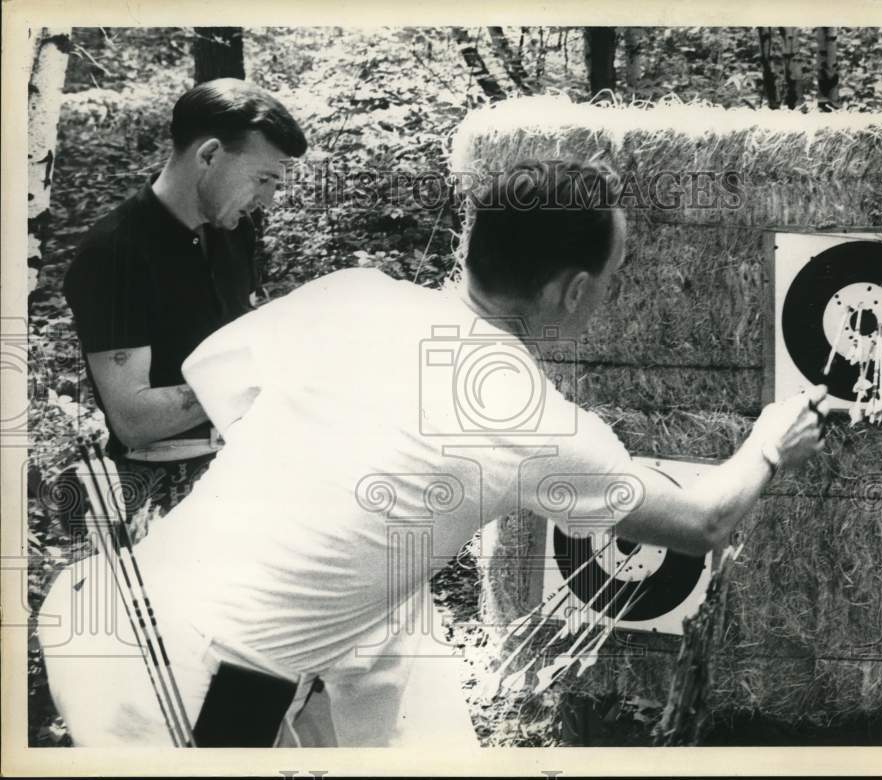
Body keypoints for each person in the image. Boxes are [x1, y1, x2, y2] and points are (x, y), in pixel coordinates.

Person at [40, 159, 829, 747]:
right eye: (611, 279)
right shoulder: (535, 422)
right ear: (571, 291)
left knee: (335, 666)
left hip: (116, 611)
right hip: (186, 677)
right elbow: (704, 521)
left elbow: (215, 372)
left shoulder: (355, 293)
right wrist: (768, 442)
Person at [61, 78, 307, 521]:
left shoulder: (236, 230)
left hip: (248, 467)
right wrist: (267, 372)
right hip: (160, 493)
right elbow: (133, 420)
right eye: (263, 178)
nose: (268, 199)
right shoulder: (113, 253)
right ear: (209, 155)